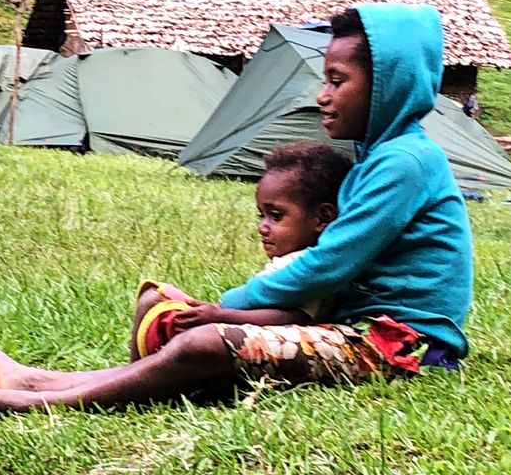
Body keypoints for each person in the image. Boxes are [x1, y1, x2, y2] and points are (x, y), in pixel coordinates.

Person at [0, 3, 474, 418]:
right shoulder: (379, 157)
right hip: (350, 328)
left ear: (388, 86)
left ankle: (43, 399)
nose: (321, 96)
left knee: (204, 342)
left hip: (401, 347)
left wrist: (230, 304)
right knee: (162, 307)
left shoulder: (404, 162)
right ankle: (40, 380)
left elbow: (331, 263)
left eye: (337, 81)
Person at [128, 138, 349, 359]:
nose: (262, 227)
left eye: (275, 216)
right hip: (233, 324)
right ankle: (137, 367)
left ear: (323, 218)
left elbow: (294, 318)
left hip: (256, 339)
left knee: (161, 307)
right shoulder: (292, 260)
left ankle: (140, 372)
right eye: (261, 215)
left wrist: (222, 316)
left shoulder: (313, 267)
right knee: (153, 297)